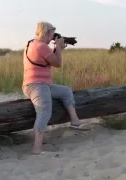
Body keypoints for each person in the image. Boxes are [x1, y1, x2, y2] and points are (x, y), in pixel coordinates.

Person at [22, 21, 89, 155]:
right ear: (47, 32)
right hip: (36, 85)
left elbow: (48, 59)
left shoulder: (32, 43)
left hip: (42, 84)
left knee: (66, 91)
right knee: (45, 110)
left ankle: (75, 121)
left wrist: (58, 49)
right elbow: (57, 63)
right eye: (52, 33)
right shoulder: (41, 46)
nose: (53, 37)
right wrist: (58, 48)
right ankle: (37, 148)